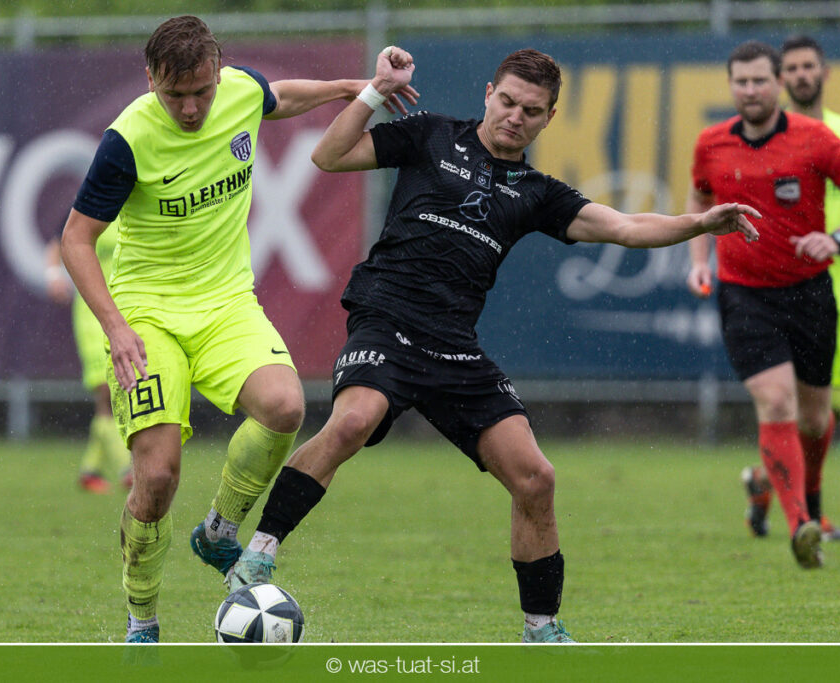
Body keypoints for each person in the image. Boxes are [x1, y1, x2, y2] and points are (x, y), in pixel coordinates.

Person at [226, 46, 761, 644]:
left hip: (453, 345)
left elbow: (625, 226)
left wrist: (699, 223)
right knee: (354, 420)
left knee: (535, 478)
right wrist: (374, 92)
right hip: (387, 318)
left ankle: (542, 629)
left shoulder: (537, 192)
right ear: (488, 93)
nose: (514, 116)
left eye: (531, 111)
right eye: (507, 101)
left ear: (549, 118)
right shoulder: (431, 135)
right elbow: (328, 156)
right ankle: (258, 556)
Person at [59, 15, 418, 643]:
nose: (190, 108)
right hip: (147, 314)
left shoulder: (240, 91)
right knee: (157, 477)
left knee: (285, 406)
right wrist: (116, 327)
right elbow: (75, 239)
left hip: (225, 304)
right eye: (174, 94)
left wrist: (355, 88)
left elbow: (280, 96)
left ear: (219, 74)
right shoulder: (127, 140)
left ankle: (219, 530)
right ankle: (142, 617)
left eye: (201, 91)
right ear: (150, 79)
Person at [686, 41, 840, 569]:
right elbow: (700, 200)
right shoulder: (711, 142)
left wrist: (837, 239)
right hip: (744, 294)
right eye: (741, 81)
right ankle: (800, 524)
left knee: (816, 420)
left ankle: (809, 502)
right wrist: (698, 259)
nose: (750, 90)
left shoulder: (815, 138)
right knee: (777, 403)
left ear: (778, 84)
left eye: (760, 80)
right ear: (731, 85)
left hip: (810, 292)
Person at [740, 35, 840, 543]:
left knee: (823, 411)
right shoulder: (766, 134)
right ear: (780, 78)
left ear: (825, 72)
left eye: (808, 66)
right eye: (791, 68)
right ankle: (811, 514)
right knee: (786, 405)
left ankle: (764, 482)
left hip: (836, 285)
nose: (800, 76)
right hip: (780, 284)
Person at [45, 230, 132, 494]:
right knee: (107, 390)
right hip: (92, 315)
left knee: (121, 392)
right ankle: (127, 469)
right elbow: (58, 242)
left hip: (126, 310)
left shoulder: (135, 211)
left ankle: (90, 470)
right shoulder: (94, 209)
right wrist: (54, 276)